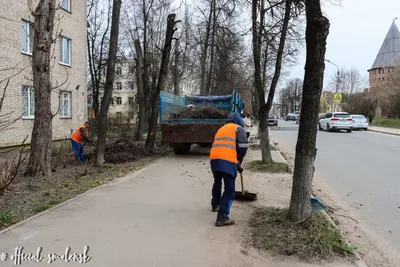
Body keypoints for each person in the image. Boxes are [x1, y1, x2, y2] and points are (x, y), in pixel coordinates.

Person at [209, 113, 249, 227]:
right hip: (227, 161)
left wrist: (236, 163)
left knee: (217, 182)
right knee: (230, 191)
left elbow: (224, 146)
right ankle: (222, 217)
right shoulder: (238, 129)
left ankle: (215, 205)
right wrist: (239, 162)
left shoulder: (221, 129)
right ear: (239, 122)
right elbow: (243, 147)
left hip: (214, 160)